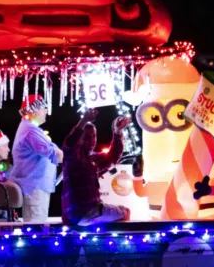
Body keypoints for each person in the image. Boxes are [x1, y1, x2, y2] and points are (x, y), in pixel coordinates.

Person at [61, 108, 132, 226]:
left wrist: (117, 131)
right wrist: (83, 121)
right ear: (79, 139)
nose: (92, 140)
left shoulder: (91, 159)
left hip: (86, 212)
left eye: (94, 136)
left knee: (116, 212)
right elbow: (69, 144)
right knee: (126, 212)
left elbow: (112, 157)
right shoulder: (74, 157)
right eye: (87, 137)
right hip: (82, 213)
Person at [8, 94, 63, 222]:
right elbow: (54, 153)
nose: (46, 111)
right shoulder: (30, 131)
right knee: (35, 229)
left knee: (37, 227)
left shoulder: (30, 129)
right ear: (33, 111)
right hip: (34, 187)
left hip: (35, 187)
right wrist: (75, 157)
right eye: (43, 107)